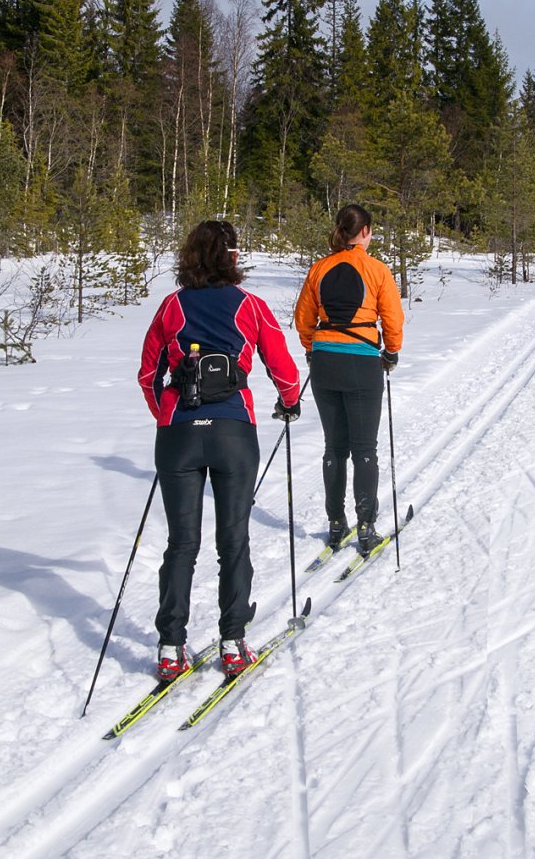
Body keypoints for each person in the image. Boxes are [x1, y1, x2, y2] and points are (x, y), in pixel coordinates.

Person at [138, 220, 301, 683]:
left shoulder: (172, 306)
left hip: (178, 434)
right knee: (233, 539)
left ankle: (171, 645)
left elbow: (148, 373)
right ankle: (233, 641)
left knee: (181, 543)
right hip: (234, 430)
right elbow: (283, 368)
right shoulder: (250, 306)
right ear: (232, 256)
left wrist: (165, 414)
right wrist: (290, 403)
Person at [293, 204, 404, 556]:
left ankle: (337, 523)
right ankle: (367, 525)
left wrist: (313, 348)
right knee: (364, 448)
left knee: (334, 447)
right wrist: (392, 351)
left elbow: (303, 318)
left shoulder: (319, 268)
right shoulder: (376, 270)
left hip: (325, 361)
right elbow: (392, 318)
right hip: (361, 362)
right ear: (366, 231)